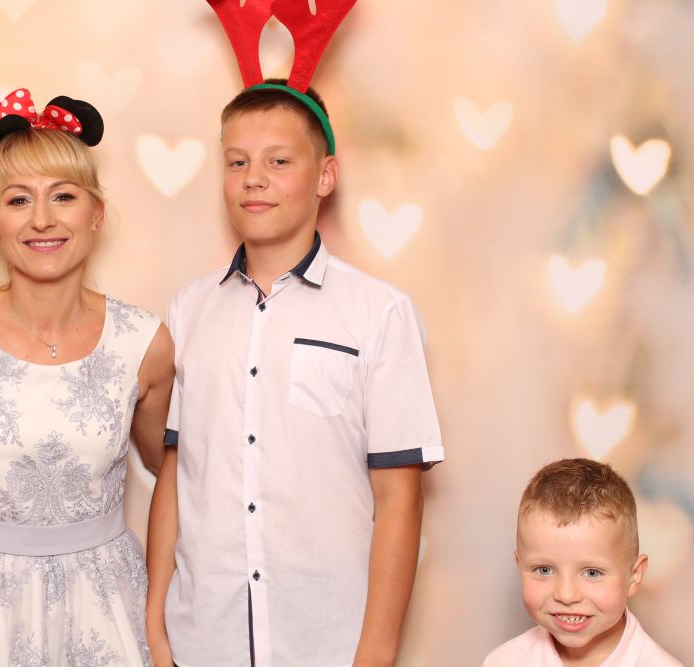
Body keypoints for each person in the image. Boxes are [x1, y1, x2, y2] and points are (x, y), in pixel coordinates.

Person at [145, 77, 444, 667]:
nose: (254, 178)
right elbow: (178, 471)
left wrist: (375, 655)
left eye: (279, 161)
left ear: (325, 176)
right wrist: (157, 624)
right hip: (204, 640)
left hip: (327, 642)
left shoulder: (379, 313)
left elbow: (399, 497)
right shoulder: (189, 309)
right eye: (237, 162)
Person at [0, 87, 174, 666]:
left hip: (107, 609)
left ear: (95, 213)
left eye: (63, 196)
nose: (42, 219)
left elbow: (171, 472)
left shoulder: (144, 342)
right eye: (19, 200)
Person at [483, 458, 681, 667]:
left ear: (634, 576)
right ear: (520, 566)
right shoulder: (502, 662)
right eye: (544, 570)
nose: (567, 596)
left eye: (592, 573)